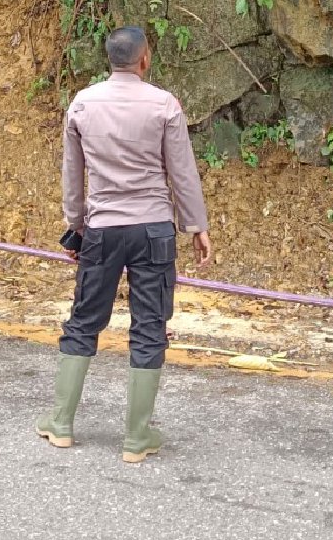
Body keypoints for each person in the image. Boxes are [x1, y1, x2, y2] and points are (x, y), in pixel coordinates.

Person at [36, 25, 212, 462]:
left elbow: (72, 174)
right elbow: (182, 172)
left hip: (102, 228)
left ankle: (60, 424)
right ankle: (136, 438)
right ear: (144, 58)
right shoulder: (164, 104)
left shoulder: (82, 102)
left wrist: (76, 224)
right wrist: (196, 225)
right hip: (153, 228)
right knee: (150, 325)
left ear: (109, 59)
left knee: (84, 319)